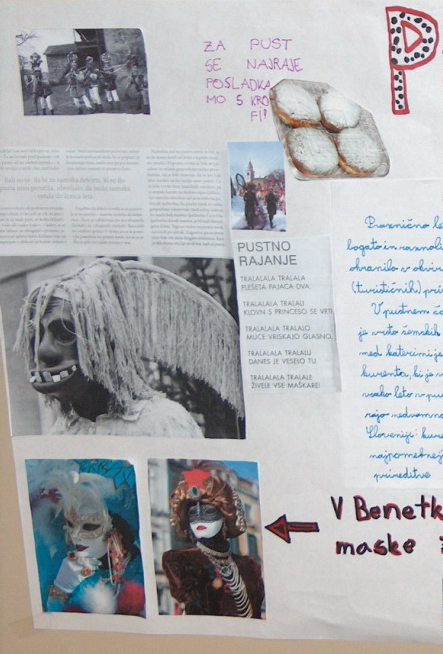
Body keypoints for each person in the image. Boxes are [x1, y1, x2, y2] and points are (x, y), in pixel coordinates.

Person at [15, 258, 244, 437]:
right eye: (36, 337)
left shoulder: (162, 422)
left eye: (65, 334)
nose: (43, 352)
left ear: (106, 344)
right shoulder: (63, 432)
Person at [29, 462, 145, 615]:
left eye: (90, 526)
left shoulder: (138, 571)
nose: (75, 535)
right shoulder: (56, 567)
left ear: (116, 530)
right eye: (71, 524)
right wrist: (60, 589)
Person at [162, 466, 264, 617]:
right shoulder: (180, 561)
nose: (199, 519)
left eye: (208, 512)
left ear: (225, 517)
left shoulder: (249, 566)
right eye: (193, 514)